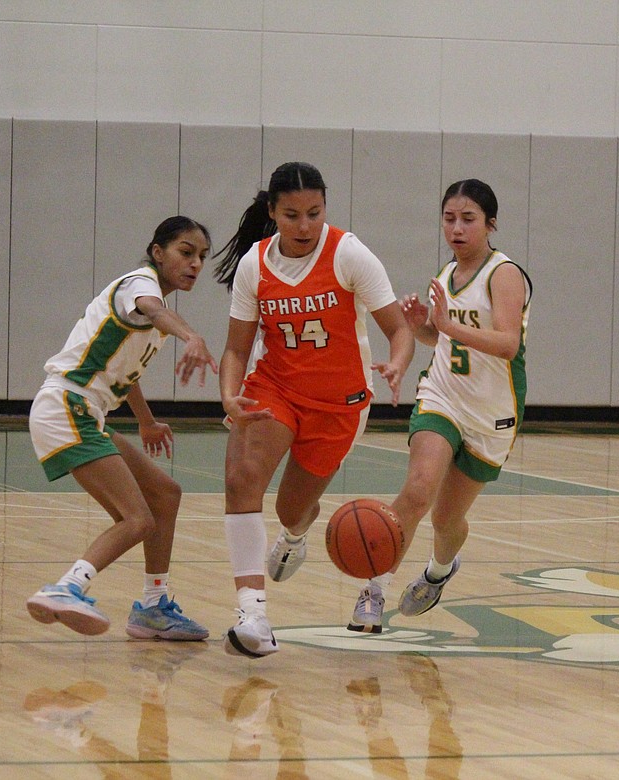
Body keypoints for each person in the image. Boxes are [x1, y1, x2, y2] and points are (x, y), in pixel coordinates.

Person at [212, 161, 415, 658]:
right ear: (272, 212)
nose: (304, 226)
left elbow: (400, 331)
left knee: (289, 508)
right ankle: (252, 612)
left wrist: (397, 365)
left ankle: (296, 531)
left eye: (314, 213)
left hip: (339, 403)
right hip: (276, 387)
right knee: (242, 478)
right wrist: (229, 394)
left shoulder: (349, 253)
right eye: (292, 215)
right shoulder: (254, 265)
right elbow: (237, 349)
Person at [346, 178, 532, 634]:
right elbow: (442, 337)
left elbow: (507, 343)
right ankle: (374, 589)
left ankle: (438, 570)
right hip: (442, 396)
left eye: (468, 219)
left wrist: (446, 323)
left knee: (448, 518)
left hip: (492, 411)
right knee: (417, 489)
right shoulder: (447, 275)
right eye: (449, 218)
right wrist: (424, 328)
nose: (457, 228)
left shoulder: (504, 274)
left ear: (490, 225)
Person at [25, 216, 218, 640]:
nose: (195, 264)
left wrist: (146, 421)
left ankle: (153, 607)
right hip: (66, 404)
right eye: (186, 252)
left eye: (202, 257)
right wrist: (191, 337)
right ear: (157, 252)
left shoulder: (153, 318)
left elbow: (125, 373)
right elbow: (152, 308)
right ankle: (66, 588)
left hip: (84, 410)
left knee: (165, 494)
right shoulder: (140, 285)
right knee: (137, 519)